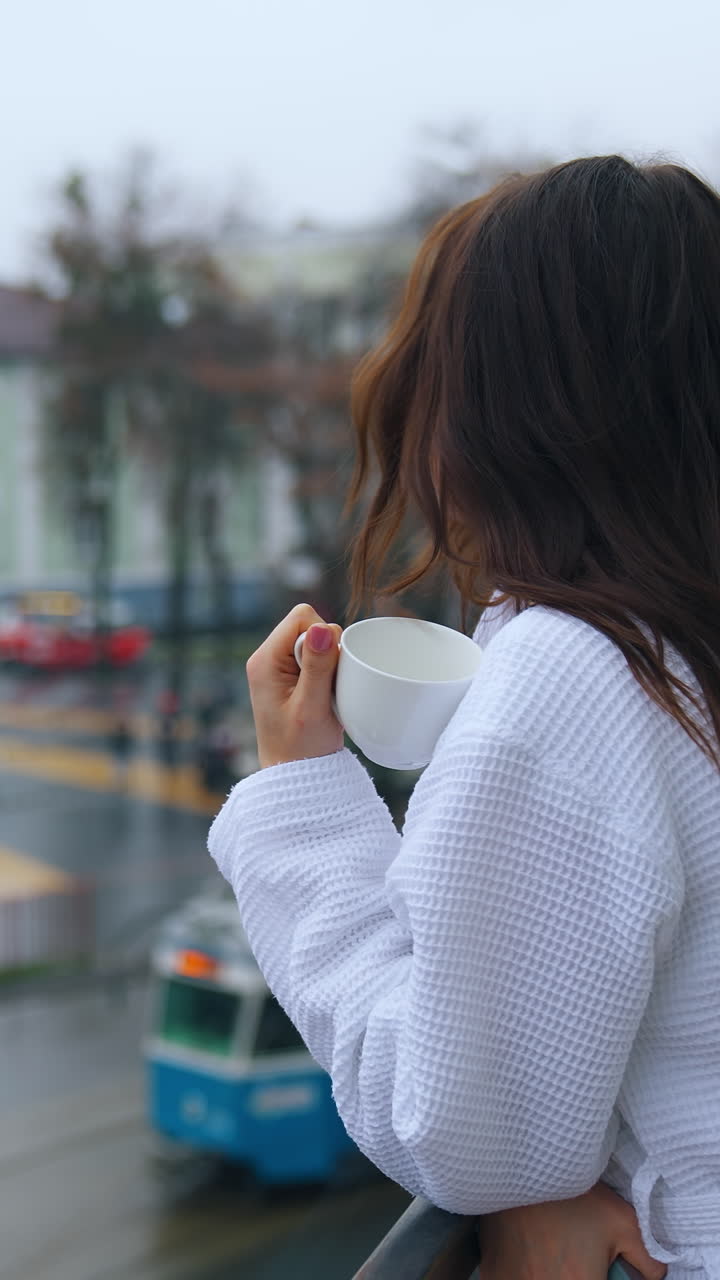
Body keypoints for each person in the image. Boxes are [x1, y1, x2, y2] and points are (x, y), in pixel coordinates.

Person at [208, 156, 720, 1278]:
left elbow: (461, 1128)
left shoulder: (579, 674)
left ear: (494, 408)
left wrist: (301, 797)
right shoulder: (685, 641)